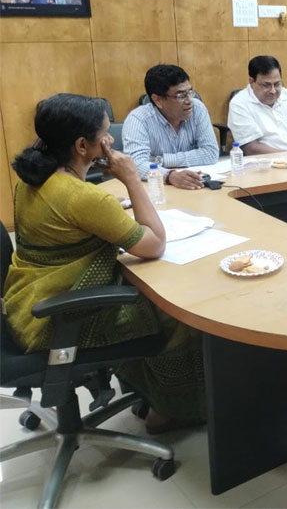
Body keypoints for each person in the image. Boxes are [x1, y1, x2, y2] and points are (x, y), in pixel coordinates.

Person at [5, 94, 205, 433]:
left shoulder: (33, 178)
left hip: (26, 300)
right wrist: (131, 178)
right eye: (104, 133)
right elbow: (155, 244)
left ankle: (145, 389)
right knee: (174, 309)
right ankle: (170, 408)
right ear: (82, 145)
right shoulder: (82, 197)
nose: (111, 140)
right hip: (57, 318)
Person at [122, 64, 219, 190]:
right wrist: (169, 176)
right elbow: (136, 164)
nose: (189, 100)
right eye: (181, 95)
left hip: (194, 185)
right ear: (158, 100)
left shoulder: (198, 108)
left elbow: (210, 153)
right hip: (157, 189)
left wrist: (161, 160)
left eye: (190, 92)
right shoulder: (138, 119)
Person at [227, 55, 287, 154]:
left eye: (277, 84)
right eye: (266, 85)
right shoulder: (239, 104)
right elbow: (250, 148)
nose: (273, 91)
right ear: (251, 82)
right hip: (270, 160)